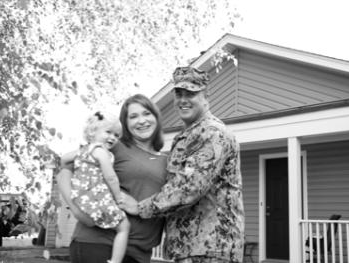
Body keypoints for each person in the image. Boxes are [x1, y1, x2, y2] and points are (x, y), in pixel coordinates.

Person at [123, 67, 245, 263]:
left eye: (191, 93)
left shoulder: (213, 133)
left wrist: (140, 208)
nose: (183, 99)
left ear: (206, 95)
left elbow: (189, 188)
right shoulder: (187, 135)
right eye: (179, 93)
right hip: (187, 248)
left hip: (211, 249)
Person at [56, 94, 167, 263]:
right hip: (98, 244)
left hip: (140, 253)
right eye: (133, 116)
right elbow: (64, 172)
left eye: (146, 113)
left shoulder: (168, 160)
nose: (141, 121)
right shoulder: (114, 146)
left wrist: (139, 206)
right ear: (126, 123)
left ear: (156, 116)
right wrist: (77, 210)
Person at [61, 111, 131, 263]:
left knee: (99, 223)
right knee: (124, 227)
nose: (112, 137)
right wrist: (118, 197)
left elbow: (64, 159)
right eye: (108, 132)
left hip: (81, 199)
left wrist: (80, 154)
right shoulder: (101, 152)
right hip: (97, 199)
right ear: (93, 132)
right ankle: (115, 261)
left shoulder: (84, 151)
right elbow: (110, 177)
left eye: (116, 135)